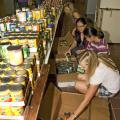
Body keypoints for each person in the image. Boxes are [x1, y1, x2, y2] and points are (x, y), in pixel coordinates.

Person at [67, 50, 120, 120]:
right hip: (110, 82)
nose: (82, 69)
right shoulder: (98, 56)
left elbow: (86, 100)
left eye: (83, 67)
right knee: (80, 76)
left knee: (77, 85)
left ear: (90, 64)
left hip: (110, 91)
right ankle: (93, 88)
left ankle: (100, 95)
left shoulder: (98, 72)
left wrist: (73, 116)